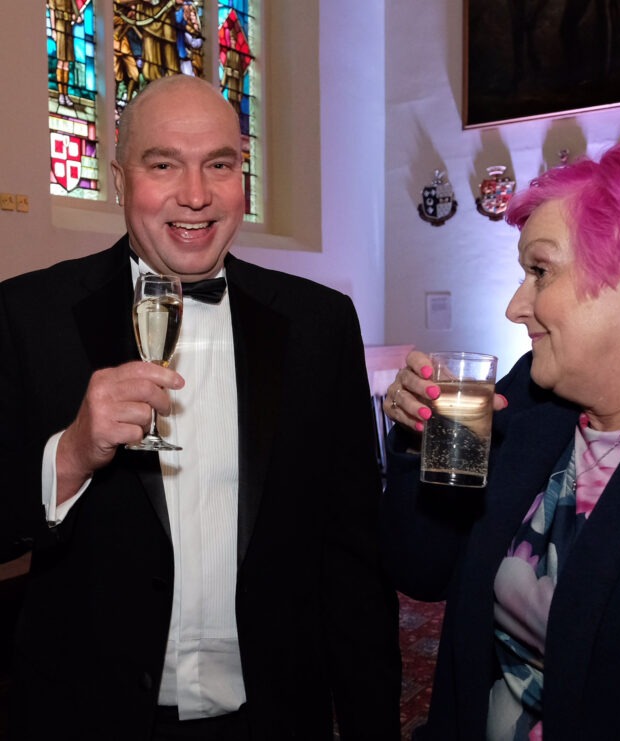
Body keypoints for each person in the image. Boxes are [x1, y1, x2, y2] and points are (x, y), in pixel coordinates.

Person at [0, 74, 400, 740]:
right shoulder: (28, 315)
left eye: (219, 165)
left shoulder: (319, 325)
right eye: (164, 165)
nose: (195, 195)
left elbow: (353, 557)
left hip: (272, 718)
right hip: (90, 718)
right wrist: (69, 455)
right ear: (120, 180)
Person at [380, 139, 620, 740]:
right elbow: (421, 569)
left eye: (540, 271)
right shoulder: (530, 399)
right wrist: (416, 440)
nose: (516, 307)